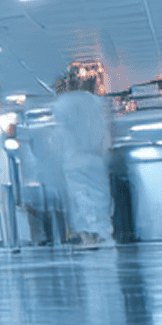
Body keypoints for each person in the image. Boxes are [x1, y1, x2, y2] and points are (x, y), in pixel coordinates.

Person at [50, 67, 116, 248]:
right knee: (99, 195)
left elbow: (60, 133)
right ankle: (103, 233)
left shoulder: (61, 104)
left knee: (80, 196)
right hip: (95, 158)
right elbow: (107, 133)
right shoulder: (97, 103)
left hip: (73, 158)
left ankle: (88, 235)